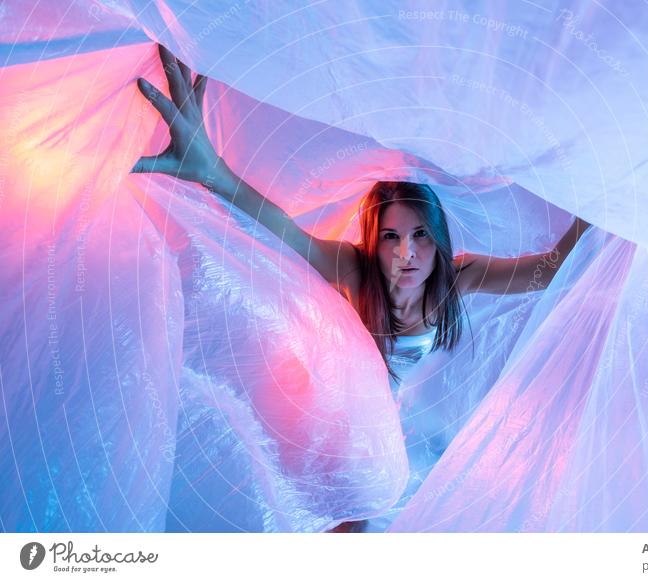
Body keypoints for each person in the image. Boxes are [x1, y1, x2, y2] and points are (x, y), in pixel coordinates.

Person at [132, 44, 592, 531]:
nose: (405, 254)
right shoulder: (353, 268)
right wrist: (210, 169)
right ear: (375, 244)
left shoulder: (460, 277)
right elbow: (281, 227)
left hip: (387, 421)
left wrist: (608, 204)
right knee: (341, 512)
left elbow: (552, 270)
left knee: (382, 510)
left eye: (419, 236)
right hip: (336, 417)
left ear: (437, 239)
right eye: (391, 238)